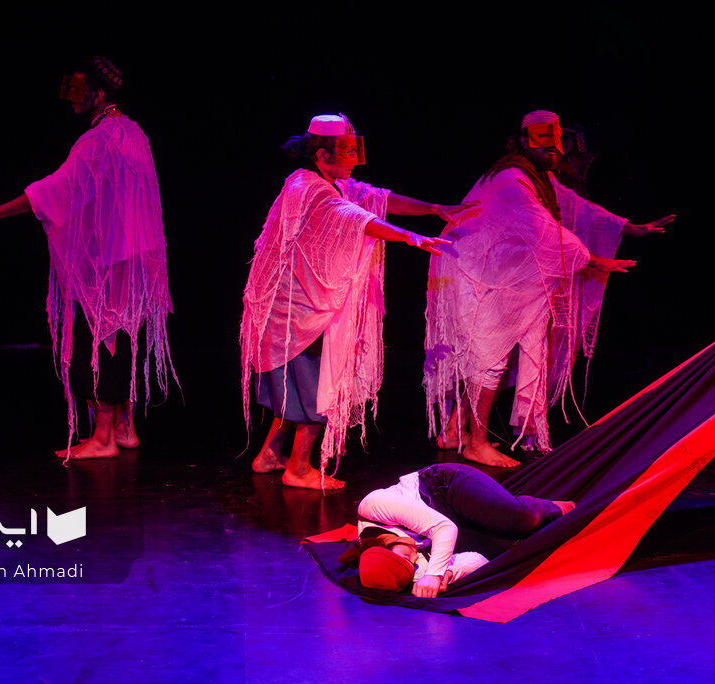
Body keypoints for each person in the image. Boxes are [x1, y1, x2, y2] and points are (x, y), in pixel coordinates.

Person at [0, 56, 176, 460]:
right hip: (132, 256)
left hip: (110, 259)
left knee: (101, 335)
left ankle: (103, 437)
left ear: (99, 93)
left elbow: (59, 189)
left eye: (77, 91)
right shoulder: (133, 133)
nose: (71, 99)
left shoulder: (99, 140)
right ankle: (124, 427)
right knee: (122, 331)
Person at [423, 109, 674, 467]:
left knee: (493, 355)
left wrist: (628, 227)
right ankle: (476, 443)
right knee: (491, 357)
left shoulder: (535, 176)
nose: (552, 152)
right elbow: (543, 228)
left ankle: (453, 430)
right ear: (524, 143)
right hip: (476, 272)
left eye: (556, 145)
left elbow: (577, 207)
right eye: (545, 145)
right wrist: (594, 260)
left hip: (491, 270)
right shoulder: (512, 179)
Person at [240, 114, 472, 490]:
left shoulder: (328, 182)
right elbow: (357, 218)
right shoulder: (310, 189)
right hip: (301, 310)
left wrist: (432, 208)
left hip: (299, 307)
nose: (354, 160)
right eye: (347, 152)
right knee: (316, 388)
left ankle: (270, 453)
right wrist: (409, 237)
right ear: (322, 154)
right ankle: (298, 467)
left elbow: (377, 199)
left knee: (297, 387)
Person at [351, 462, 575, 596]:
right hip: (453, 522)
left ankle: (552, 507)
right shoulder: (411, 565)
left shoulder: (374, 506)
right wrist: (448, 573)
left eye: (404, 556)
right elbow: (478, 560)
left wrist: (434, 574)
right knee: (510, 549)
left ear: (385, 544)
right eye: (413, 565)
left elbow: (444, 527)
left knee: (520, 520)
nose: (415, 556)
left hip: (446, 486)